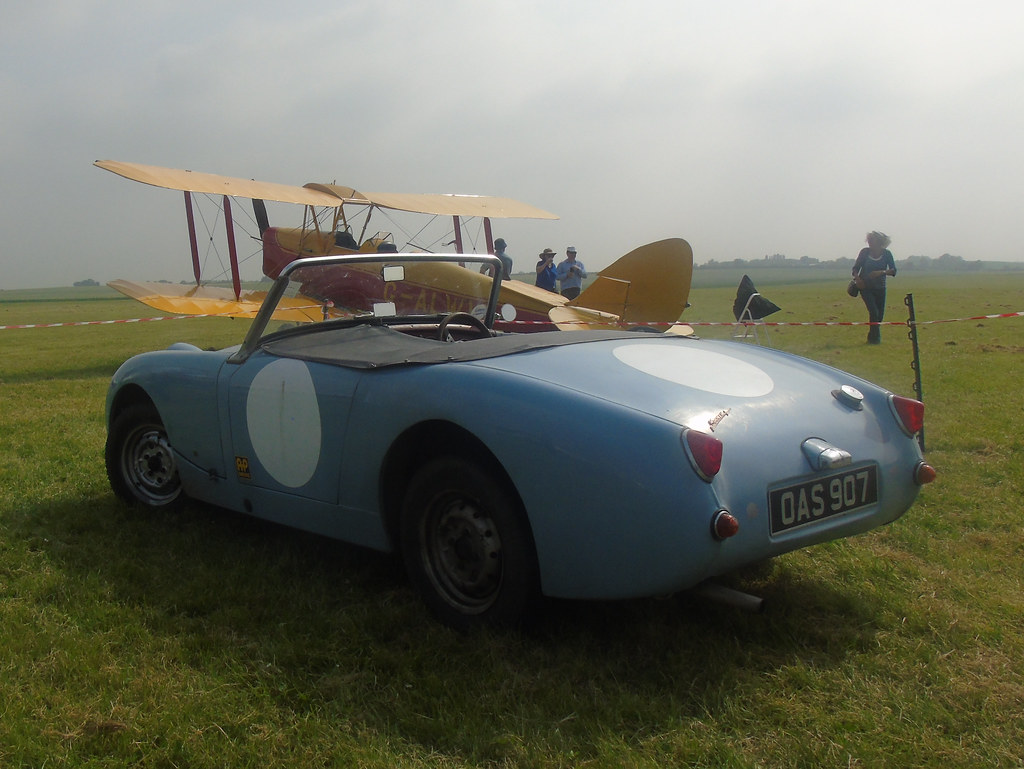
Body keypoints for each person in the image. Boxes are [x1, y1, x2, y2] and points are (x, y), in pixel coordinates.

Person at [852, 231, 897, 344]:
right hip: (865, 287)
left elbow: (893, 271)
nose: (869, 242)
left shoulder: (887, 254)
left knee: (879, 316)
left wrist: (880, 272)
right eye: (868, 240)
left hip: (880, 288)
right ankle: (874, 341)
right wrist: (858, 280)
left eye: (872, 240)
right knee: (873, 312)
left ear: (879, 241)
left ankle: (872, 337)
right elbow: (855, 269)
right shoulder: (864, 252)